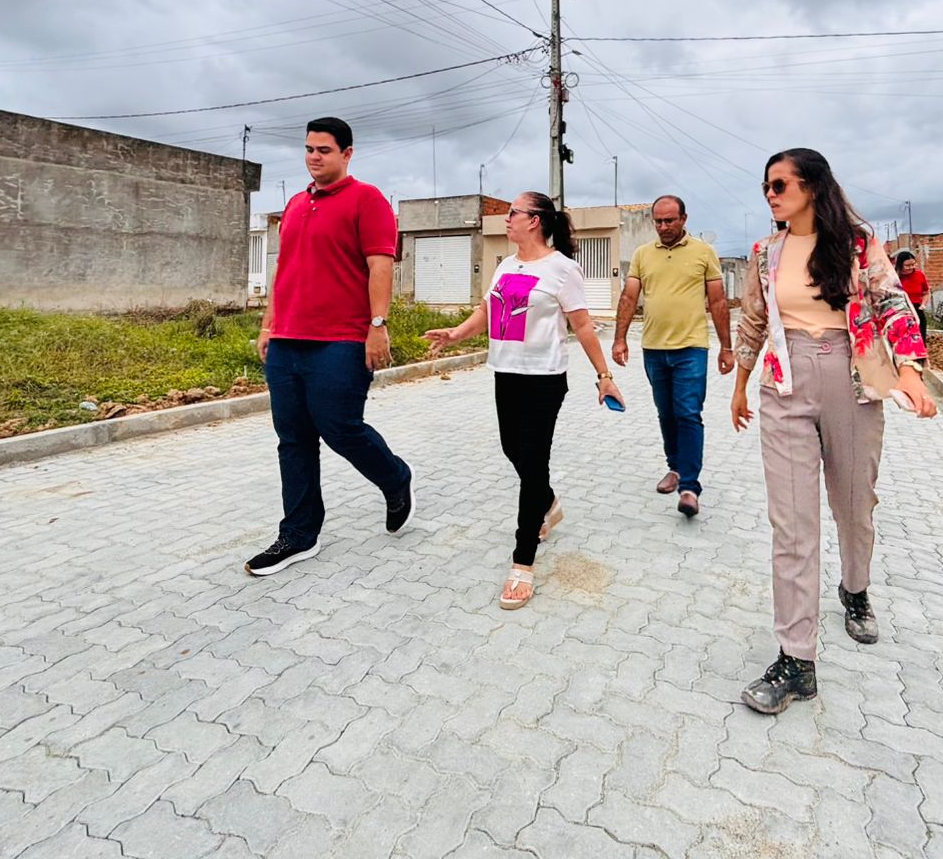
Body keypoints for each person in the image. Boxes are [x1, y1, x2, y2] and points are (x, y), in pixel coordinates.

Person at [731, 148, 936, 714]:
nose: (770, 195)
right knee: (792, 525)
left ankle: (855, 588)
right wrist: (740, 384)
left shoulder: (858, 243)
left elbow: (892, 304)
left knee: (853, 504)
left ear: (813, 187)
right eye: (766, 186)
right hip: (784, 384)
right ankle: (797, 660)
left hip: (853, 378)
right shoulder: (765, 252)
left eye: (780, 185)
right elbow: (754, 319)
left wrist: (911, 371)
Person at [424, 192, 625, 609]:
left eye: (513, 213)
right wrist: (456, 334)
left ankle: (523, 560)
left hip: (543, 380)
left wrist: (604, 376)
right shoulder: (506, 265)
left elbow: (583, 325)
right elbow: (487, 310)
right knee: (511, 450)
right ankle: (547, 502)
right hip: (506, 374)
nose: (507, 218)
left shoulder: (562, 268)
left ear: (534, 221)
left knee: (532, 463)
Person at [245, 117, 415, 576]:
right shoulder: (296, 204)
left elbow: (380, 266)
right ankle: (299, 534)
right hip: (287, 341)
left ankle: (396, 477)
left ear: (347, 153)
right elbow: (284, 270)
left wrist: (377, 325)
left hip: (341, 339)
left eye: (324, 150)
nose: (314, 157)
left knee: (340, 427)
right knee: (293, 440)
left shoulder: (367, 199)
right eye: (309, 149)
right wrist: (268, 324)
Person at [612, 195, 733, 517]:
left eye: (670, 220)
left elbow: (718, 302)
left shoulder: (703, 252)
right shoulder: (642, 254)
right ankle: (675, 467)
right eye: (659, 221)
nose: (664, 227)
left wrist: (727, 347)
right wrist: (619, 339)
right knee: (666, 414)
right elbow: (629, 296)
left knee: (688, 413)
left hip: (691, 348)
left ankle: (690, 487)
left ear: (684, 219)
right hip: (653, 349)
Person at [894, 248, 931, 346]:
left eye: (913, 264)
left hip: (916, 309)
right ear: (900, 265)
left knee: (919, 339)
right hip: (899, 311)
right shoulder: (894, 277)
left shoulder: (919, 275)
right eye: (907, 265)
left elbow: (926, 292)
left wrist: (923, 305)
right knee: (902, 341)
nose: (911, 267)